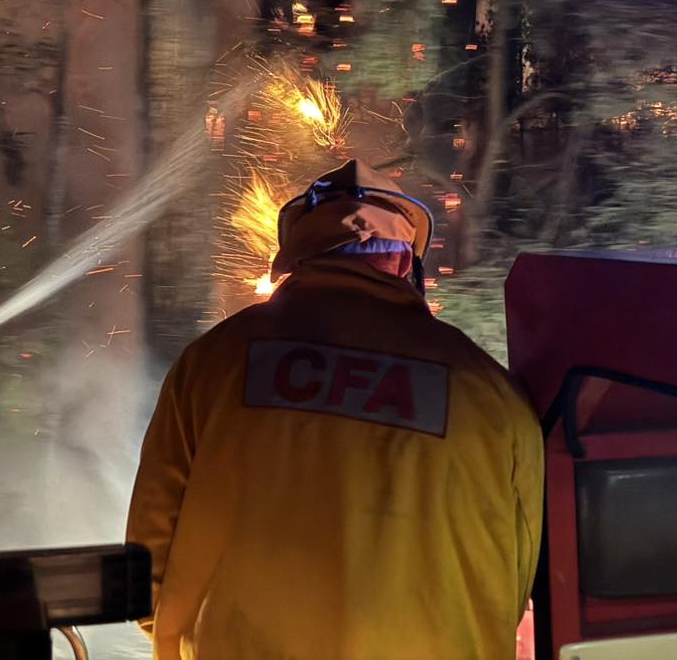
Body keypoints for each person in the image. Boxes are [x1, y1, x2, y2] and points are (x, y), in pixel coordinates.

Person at [127, 159, 543, 659]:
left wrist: (192, 634)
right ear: (405, 264)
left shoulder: (213, 362)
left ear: (295, 259)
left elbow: (149, 550)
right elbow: (518, 574)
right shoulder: (489, 392)